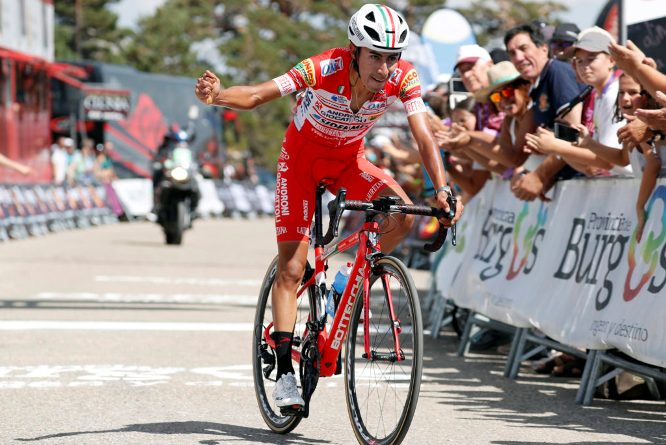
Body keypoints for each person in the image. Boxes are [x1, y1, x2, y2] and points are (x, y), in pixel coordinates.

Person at [195, 3, 462, 409]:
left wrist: (441, 189)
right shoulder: (322, 68)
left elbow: (424, 136)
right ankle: (285, 373)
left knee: (402, 215)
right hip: (300, 166)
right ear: (354, 49)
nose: (385, 68)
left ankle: (343, 288)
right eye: (376, 56)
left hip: (349, 164)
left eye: (393, 58)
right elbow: (255, 95)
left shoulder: (404, 79)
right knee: (292, 268)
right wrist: (218, 96)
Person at [504, 23, 585, 201]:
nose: (518, 58)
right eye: (512, 53)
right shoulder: (538, 85)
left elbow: (573, 134)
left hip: (591, 181)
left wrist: (540, 175)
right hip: (573, 182)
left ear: (543, 49)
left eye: (524, 48)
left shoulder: (557, 72)